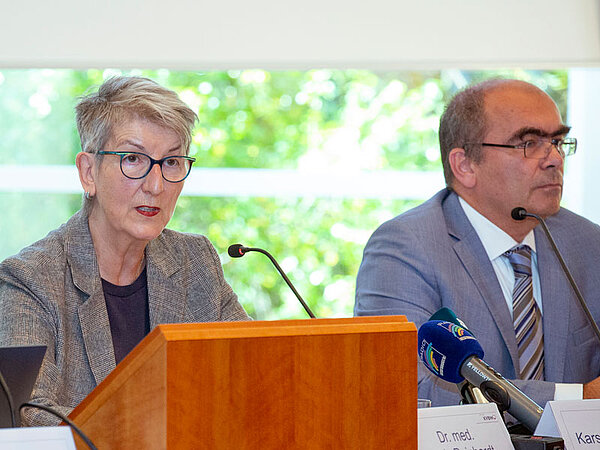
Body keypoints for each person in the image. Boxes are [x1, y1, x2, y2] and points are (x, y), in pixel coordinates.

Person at [0, 76, 250, 426]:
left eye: (172, 162)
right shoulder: (30, 280)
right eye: (133, 159)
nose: (156, 185)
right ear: (88, 173)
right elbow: (29, 414)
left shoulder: (196, 262)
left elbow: (256, 373)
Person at [355, 79, 600, 411]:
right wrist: (579, 399)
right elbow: (409, 386)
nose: (554, 158)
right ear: (465, 165)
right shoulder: (404, 250)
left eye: (557, 141)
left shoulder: (588, 244)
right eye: (529, 143)